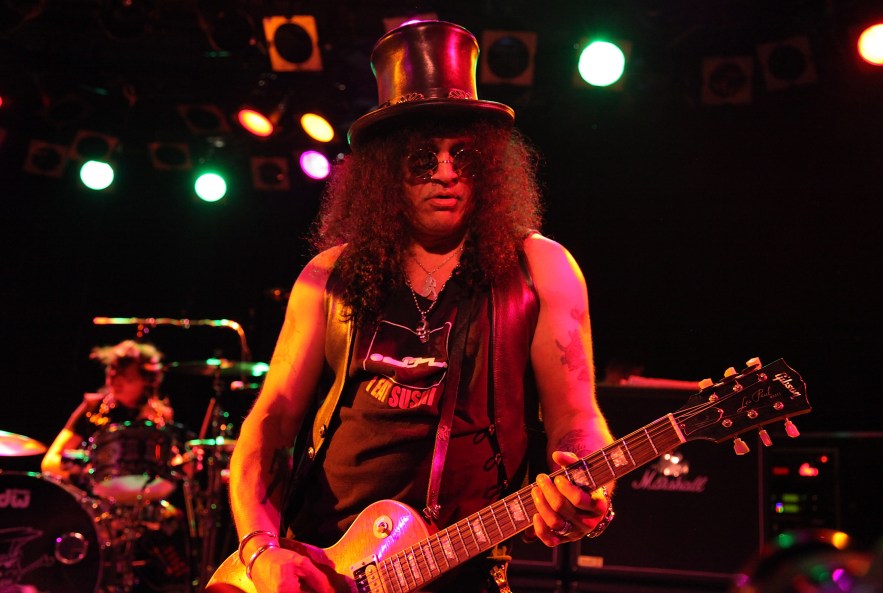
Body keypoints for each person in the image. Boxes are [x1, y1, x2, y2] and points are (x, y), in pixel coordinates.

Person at [226, 20, 616, 593]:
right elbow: (271, 422)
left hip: (467, 568)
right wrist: (261, 552)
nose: (447, 173)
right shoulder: (329, 275)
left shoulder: (542, 269)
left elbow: (576, 420)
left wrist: (588, 490)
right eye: (421, 158)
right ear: (385, 172)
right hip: (323, 567)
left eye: (465, 156)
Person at [41, 339, 175, 483]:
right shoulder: (93, 407)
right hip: (88, 497)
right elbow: (49, 462)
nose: (114, 379)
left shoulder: (159, 417)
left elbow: (166, 470)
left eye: (125, 375)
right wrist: (82, 474)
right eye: (112, 371)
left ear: (147, 379)